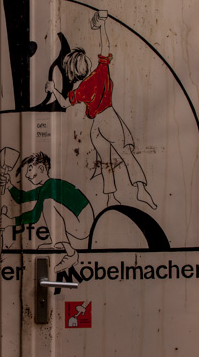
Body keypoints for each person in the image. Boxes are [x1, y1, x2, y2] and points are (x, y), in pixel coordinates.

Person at [45, 14, 157, 210]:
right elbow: (106, 47)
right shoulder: (99, 74)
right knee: (126, 154)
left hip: (96, 126)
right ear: (85, 63)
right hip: (108, 118)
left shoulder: (80, 89)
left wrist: (53, 89)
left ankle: (110, 197)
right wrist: (102, 25)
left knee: (106, 162)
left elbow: (63, 103)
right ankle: (141, 189)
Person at [0, 151, 93, 272]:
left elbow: (35, 216)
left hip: (83, 223)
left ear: (41, 168)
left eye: (30, 169)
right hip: (81, 221)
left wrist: (10, 221)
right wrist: (9, 185)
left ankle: (71, 254)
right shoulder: (47, 186)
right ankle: (58, 244)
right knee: (48, 203)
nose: (27, 175)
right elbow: (23, 198)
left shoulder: (49, 187)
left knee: (48, 204)